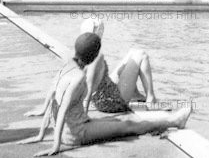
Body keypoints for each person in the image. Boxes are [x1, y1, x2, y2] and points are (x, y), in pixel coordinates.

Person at [18, 33, 191, 156]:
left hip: (74, 127)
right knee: (129, 126)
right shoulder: (78, 76)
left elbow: (51, 98)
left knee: (122, 121)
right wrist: (56, 146)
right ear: (94, 56)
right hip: (77, 133)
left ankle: (166, 119)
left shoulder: (66, 67)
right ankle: (175, 120)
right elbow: (62, 108)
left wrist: (41, 134)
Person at [24, 19, 157, 116]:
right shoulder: (96, 57)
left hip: (103, 94)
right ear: (98, 33)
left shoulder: (79, 51)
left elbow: (57, 81)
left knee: (132, 53)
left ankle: (135, 94)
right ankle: (151, 99)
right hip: (112, 101)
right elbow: (89, 85)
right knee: (141, 54)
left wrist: (43, 109)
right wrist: (85, 115)